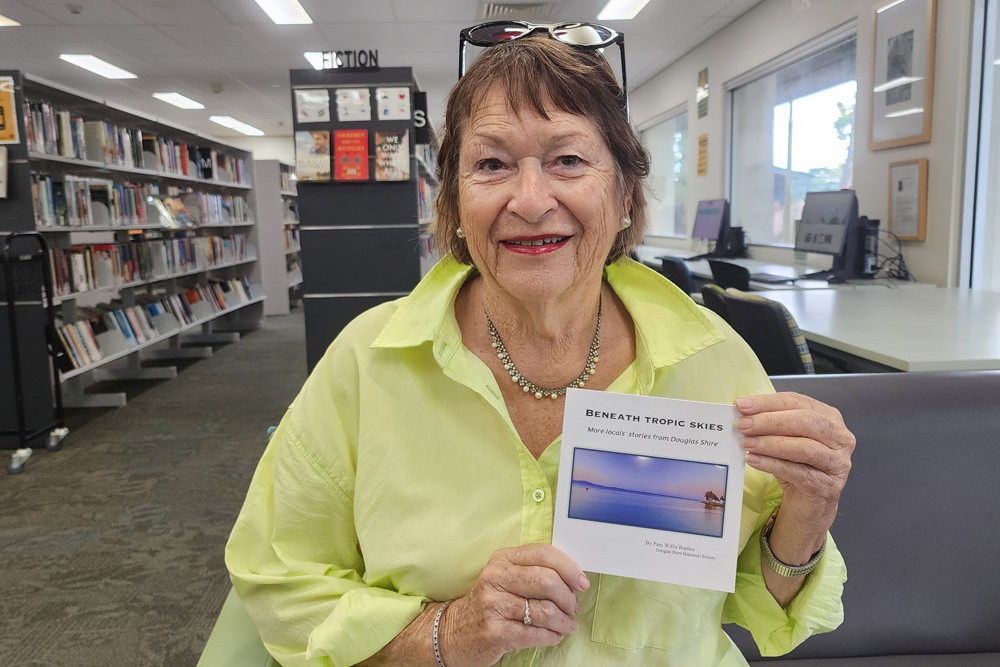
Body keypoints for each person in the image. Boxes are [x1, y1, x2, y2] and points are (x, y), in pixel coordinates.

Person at [226, 25, 853, 667]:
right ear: (453, 201)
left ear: (625, 194)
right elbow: (281, 578)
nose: (529, 201)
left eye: (568, 161)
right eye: (492, 164)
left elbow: (757, 602)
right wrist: (449, 634)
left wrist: (810, 508)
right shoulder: (367, 361)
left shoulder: (709, 359)